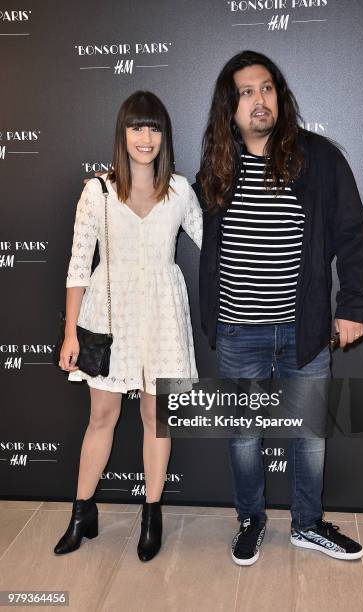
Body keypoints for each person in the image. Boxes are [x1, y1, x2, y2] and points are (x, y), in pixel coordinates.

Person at [194, 50, 363, 565]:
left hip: (305, 327)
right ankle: (250, 519)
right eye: (245, 92)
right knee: (244, 436)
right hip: (238, 329)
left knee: (310, 434)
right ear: (230, 107)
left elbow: (352, 234)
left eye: (266, 88)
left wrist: (354, 305)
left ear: (280, 97)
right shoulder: (216, 168)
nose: (258, 99)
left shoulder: (319, 159)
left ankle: (307, 524)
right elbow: (169, 207)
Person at [54, 90, 202, 560]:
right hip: (109, 319)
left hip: (162, 319)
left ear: (164, 136)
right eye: (137, 127)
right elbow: (79, 266)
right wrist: (71, 333)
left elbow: (214, 242)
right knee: (102, 417)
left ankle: (151, 513)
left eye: (154, 128)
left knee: (156, 420)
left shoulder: (180, 190)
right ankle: (82, 511)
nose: (146, 137)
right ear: (122, 132)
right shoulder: (95, 191)